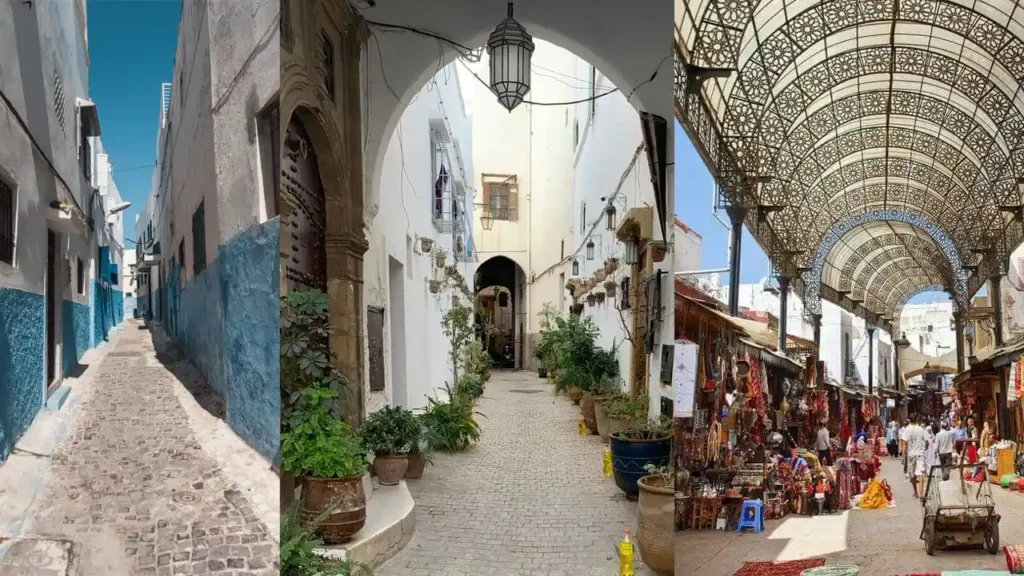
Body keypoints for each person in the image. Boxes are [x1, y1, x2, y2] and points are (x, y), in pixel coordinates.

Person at [905, 415, 928, 499]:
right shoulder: (921, 429)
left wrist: (903, 456)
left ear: (909, 420)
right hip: (920, 454)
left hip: (911, 454)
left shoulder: (906, 429)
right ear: (917, 419)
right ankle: (921, 494)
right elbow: (927, 441)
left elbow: (904, 442)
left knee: (913, 474)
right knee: (920, 473)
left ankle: (916, 492)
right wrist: (925, 447)